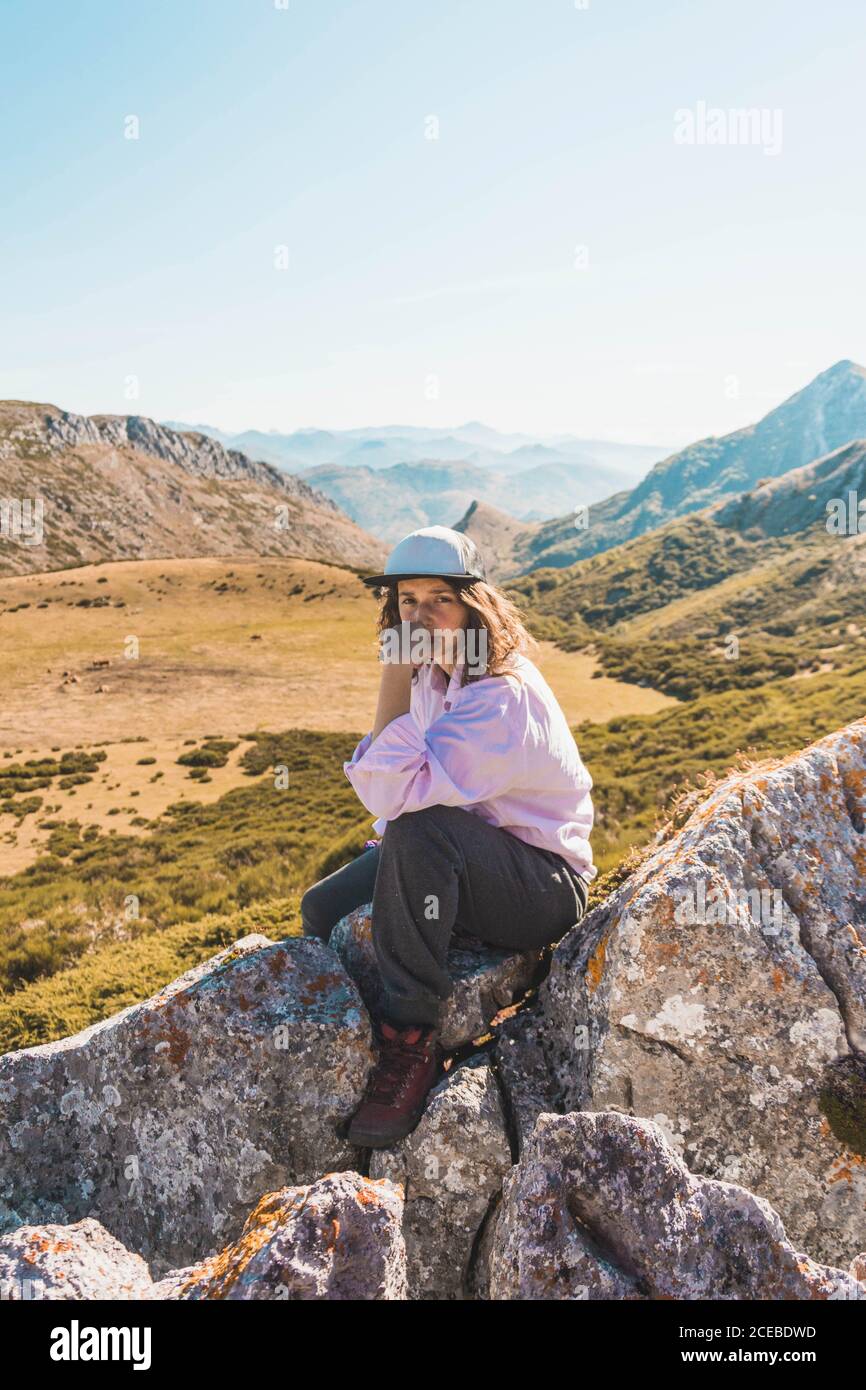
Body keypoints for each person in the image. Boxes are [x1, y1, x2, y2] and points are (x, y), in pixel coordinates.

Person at [301, 524, 596, 1148]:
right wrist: (405, 674)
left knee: (413, 829)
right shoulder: (436, 678)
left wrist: (392, 672)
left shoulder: (500, 696)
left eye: (441, 598)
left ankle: (411, 1039)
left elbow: (396, 794)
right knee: (322, 906)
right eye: (408, 601)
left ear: (474, 606)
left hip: (542, 885)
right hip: (474, 857)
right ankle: (344, 1029)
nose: (422, 614)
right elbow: (394, 794)